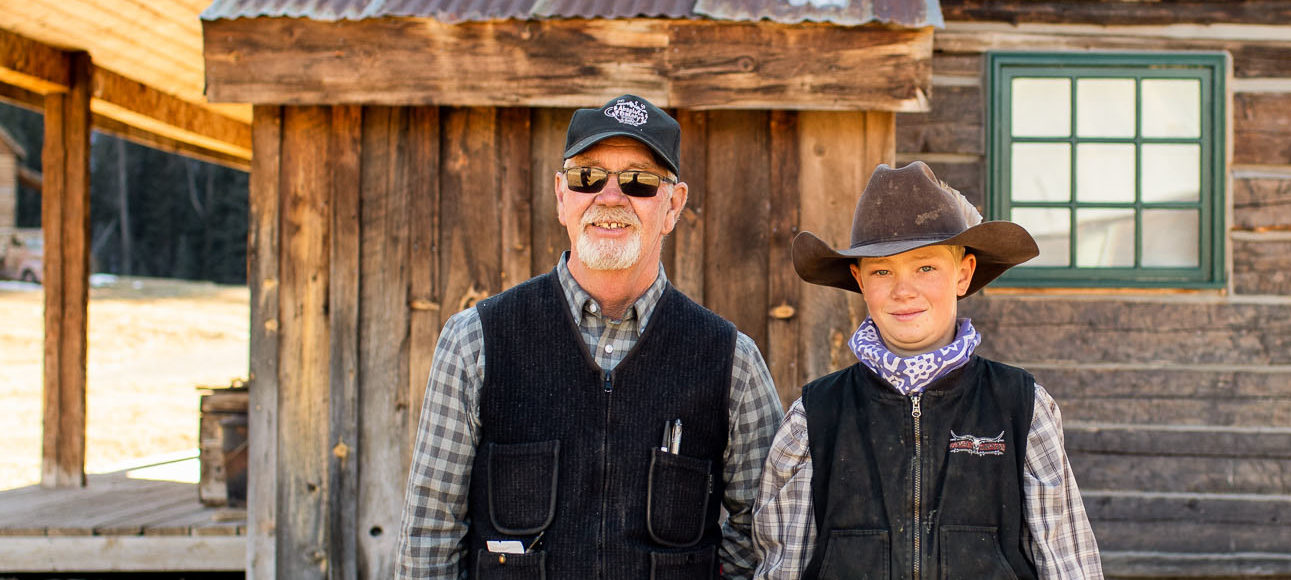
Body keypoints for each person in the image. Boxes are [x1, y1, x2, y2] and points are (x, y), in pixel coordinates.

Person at [395, 94, 783, 579]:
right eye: (587, 177)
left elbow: (768, 534)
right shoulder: (475, 343)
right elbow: (430, 535)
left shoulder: (731, 361)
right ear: (562, 196)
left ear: (673, 205)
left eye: (639, 182)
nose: (610, 197)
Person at [752, 161, 1103, 579]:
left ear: (963, 273)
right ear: (860, 280)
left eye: (926, 267)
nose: (904, 290)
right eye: (882, 270)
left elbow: (1068, 564)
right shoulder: (814, 419)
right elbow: (781, 567)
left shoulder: (1021, 408)